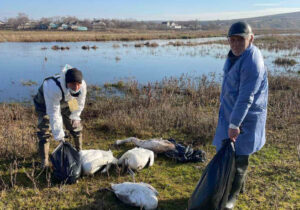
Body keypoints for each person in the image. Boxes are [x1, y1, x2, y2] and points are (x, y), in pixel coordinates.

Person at [213, 22, 268, 209]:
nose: (235, 44)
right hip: (231, 112)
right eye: (232, 40)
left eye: (240, 40)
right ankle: (237, 186)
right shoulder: (234, 56)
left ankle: (232, 196)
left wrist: (235, 123)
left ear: (251, 38)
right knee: (229, 153)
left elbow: (246, 96)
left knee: (240, 157)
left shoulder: (252, 61)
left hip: (246, 117)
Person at [33, 64, 87, 168]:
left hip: (69, 100)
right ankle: (44, 162)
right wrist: (59, 135)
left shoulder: (82, 85)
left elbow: (80, 102)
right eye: (73, 84)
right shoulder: (52, 86)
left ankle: (79, 153)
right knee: (44, 131)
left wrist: (76, 116)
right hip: (45, 103)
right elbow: (54, 113)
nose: (76, 87)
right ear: (67, 82)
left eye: (78, 84)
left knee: (76, 127)